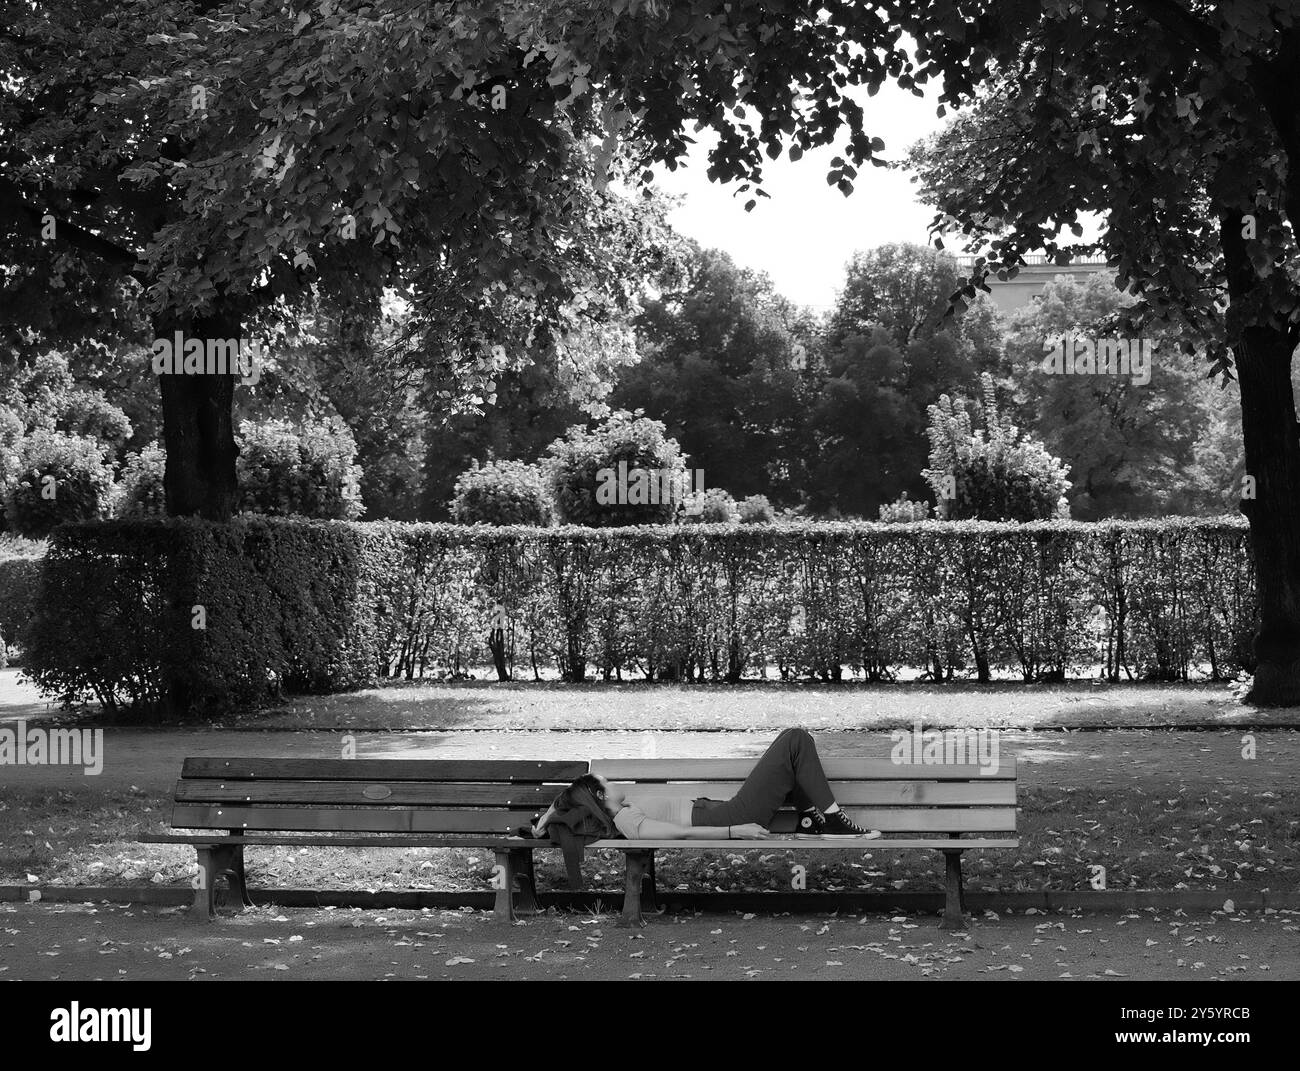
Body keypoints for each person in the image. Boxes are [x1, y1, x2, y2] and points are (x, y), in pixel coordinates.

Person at [533, 726, 882, 841]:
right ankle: (834, 820)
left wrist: (542, 823)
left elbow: (562, 803)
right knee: (795, 739)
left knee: (791, 758)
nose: (614, 782)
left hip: (726, 810)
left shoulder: (622, 810)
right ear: (599, 794)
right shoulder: (626, 820)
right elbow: (679, 835)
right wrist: (735, 831)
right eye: (606, 782)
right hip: (729, 817)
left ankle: (810, 821)